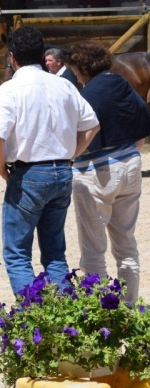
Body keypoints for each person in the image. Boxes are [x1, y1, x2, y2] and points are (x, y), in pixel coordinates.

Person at [0, 26, 100, 295]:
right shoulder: (64, 86)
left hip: (29, 174)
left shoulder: (8, 90)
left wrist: (1, 169)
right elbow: (92, 125)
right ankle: (61, 318)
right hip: (61, 172)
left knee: (18, 255)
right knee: (55, 254)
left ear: (12, 57)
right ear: (42, 54)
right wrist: (72, 154)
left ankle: (31, 316)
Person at [66, 41, 150, 304]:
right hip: (131, 165)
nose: (75, 75)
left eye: (76, 70)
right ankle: (128, 307)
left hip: (98, 171)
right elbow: (142, 119)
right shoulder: (120, 82)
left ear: (83, 67)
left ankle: (102, 313)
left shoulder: (86, 94)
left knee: (93, 250)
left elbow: (82, 133)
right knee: (126, 246)